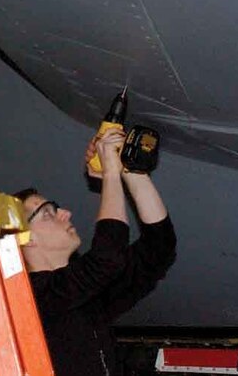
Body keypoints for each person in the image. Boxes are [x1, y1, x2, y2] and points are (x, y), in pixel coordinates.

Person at [13, 128, 177, 376]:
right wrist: (110, 173)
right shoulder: (31, 299)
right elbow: (106, 258)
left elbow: (158, 248)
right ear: (24, 240)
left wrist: (128, 168)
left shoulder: (84, 296)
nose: (64, 213)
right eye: (46, 212)